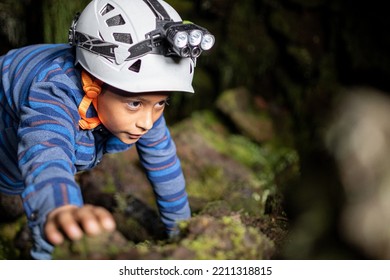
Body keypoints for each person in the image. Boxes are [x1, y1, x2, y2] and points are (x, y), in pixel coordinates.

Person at [0, 0, 214, 259]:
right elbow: (47, 153)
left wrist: (181, 231)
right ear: (94, 82)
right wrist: (62, 208)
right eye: (135, 103)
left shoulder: (143, 103)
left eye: (161, 102)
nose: (147, 121)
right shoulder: (54, 93)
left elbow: (163, 162)